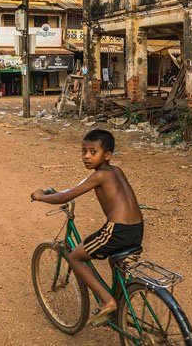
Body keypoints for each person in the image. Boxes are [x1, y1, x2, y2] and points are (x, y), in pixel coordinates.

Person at [31, 129, 143, 326]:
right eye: (83, 151)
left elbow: (65, 197)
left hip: (117, 230)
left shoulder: (99, 176)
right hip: (137, 228)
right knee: (115, 261)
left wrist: (40, 196)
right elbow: (77, 187)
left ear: (107, 155)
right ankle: (119, 307)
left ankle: (107, 301)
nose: (86, 156)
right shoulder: (116, 171)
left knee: (75, 257)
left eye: (93, 152)